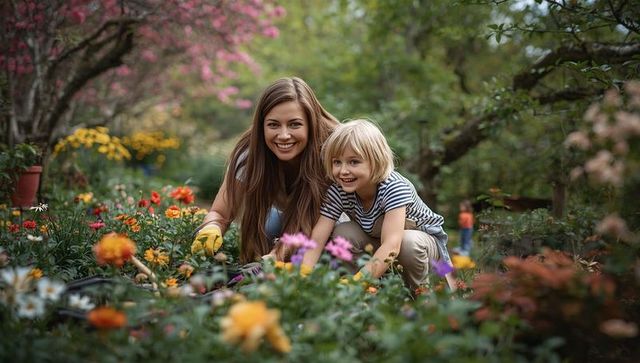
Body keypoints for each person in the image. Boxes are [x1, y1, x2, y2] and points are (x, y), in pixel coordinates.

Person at [192, 77, 339, 264]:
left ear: (311, 124)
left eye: (295, 124)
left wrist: (272, 259)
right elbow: (221, 213)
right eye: (273, 125)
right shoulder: (249, 155)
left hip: (337, 225)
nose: (284, 135)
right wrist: (210, 228)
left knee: (340, 240)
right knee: (269, 224)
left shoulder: (333, 150)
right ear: (261, 126)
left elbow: (311, 222)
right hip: (290, 220)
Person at [302, 119, 456, 291]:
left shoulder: (393, 187)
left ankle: (419, 297)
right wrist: (302, 276)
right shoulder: (339, 190)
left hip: (422, 248)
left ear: (375, 161)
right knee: (344, 232)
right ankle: (360, 294)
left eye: (354, 162)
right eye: (337, 162)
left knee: (407, 242)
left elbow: (392, 245)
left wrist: (358, 283)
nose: (343, 171)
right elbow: (317, 239)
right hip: (383, 245)